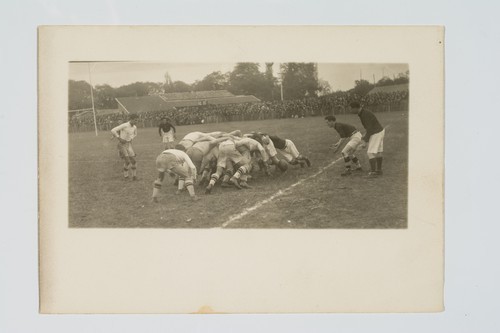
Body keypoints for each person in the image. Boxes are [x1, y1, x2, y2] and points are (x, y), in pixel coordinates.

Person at [349, 101, 385, 177]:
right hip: (379, 131)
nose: (350, 111)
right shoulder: (363, 113)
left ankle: (373, 172)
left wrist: (365, 141)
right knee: (378, 152)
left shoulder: (364, 114)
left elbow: (370, 128)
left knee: (370, 153)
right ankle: (378, 170)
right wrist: (364, 138)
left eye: (351, 109)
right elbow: (369, 128)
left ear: (356, 108)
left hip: (376, 132)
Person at [111, 114, 139, 180]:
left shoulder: (134, 127)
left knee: (134, 161)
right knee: (127, 161)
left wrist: (131, 138)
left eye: (137, 120)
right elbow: (113, 130)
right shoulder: (125, 125)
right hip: (122, 144)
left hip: (128, 144)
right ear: (131, 119)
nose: (136, 122)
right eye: (135, 120)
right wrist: (119, 138)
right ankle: (126, 176)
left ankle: (134, 176)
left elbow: (135, 134)